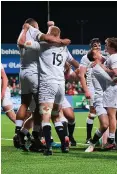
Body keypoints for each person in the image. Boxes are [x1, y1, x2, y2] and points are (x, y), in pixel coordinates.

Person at [22, 26, 79, 155]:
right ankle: (65, 145)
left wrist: (26, 32)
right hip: (60, 86)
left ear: (49, 34)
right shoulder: (63, 47)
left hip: (48, 84)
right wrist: (81, 70)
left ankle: (48, 147)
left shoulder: (42, 45)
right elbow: (72, 61)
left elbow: (23, 43)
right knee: (57, 115)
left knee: (45, 115)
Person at [78, 38, 102, 144]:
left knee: (105, 112)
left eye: (99, 45)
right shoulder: (85, 58)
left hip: (103, 88)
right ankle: (88, 138)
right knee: (93, 112)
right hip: (92, 87)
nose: (98, 47)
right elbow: (81, 75)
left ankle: (105, 138)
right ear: (91, 47)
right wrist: (86, 90)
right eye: (95, 45)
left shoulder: (102, 57)